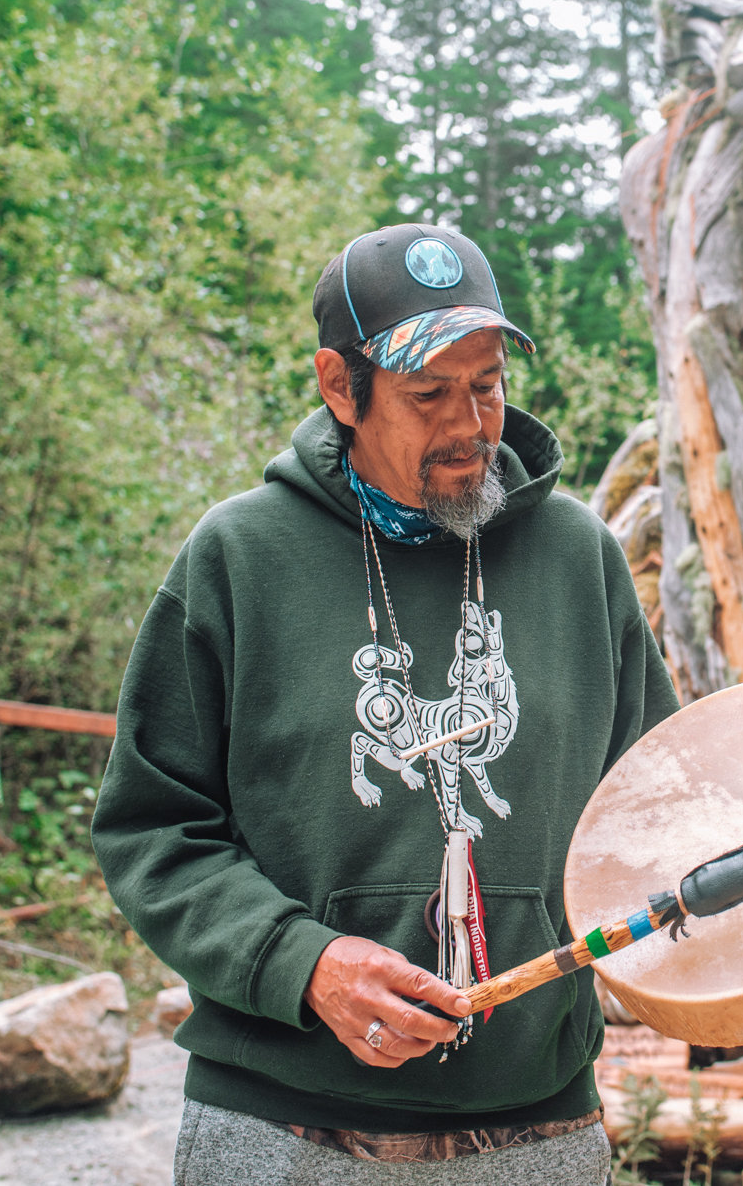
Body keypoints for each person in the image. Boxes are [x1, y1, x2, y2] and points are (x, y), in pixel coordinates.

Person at [93, 223, 678, 1183]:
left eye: (486, 384)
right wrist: (303, 963)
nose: (471, 424)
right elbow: (154, 831)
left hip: (539, 1127)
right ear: (340, 386)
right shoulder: (239, 558)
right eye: (428, 394)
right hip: (283, 1127)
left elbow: (657, 809)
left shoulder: (580, 558)